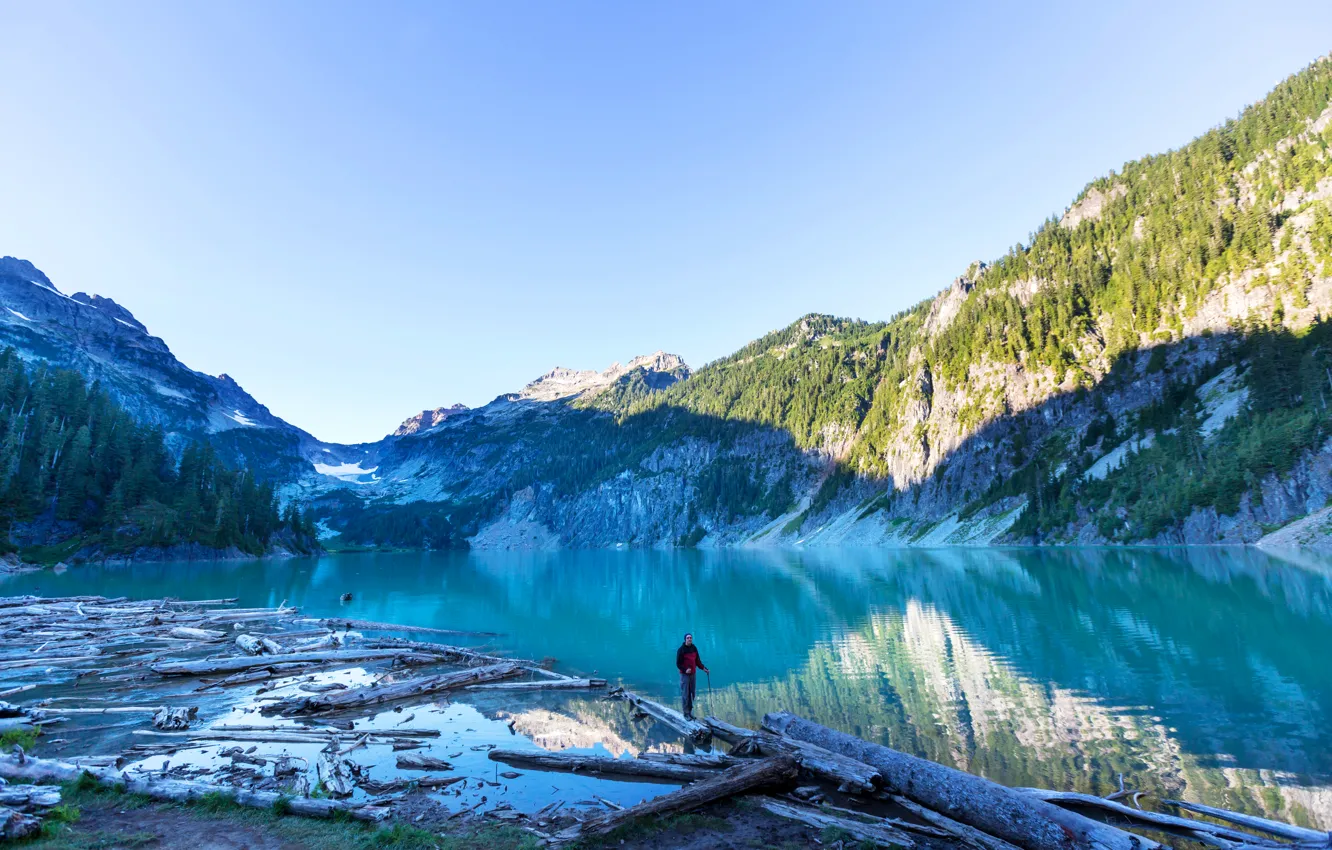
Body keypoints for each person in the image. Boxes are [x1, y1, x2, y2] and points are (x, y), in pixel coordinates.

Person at [675, 632, 709, 721]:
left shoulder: (694, 648)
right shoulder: (681, 650)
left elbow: (697, 661)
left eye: (690, 638)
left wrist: (704, 668)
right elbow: (678, 664)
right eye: (688, 638)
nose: (689, 639)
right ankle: (685, 713)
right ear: (685, 639)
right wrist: (685, 669)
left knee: (692, 693)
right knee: (685, 694)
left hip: (693, 674)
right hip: (684, 675)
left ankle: (690, 712)